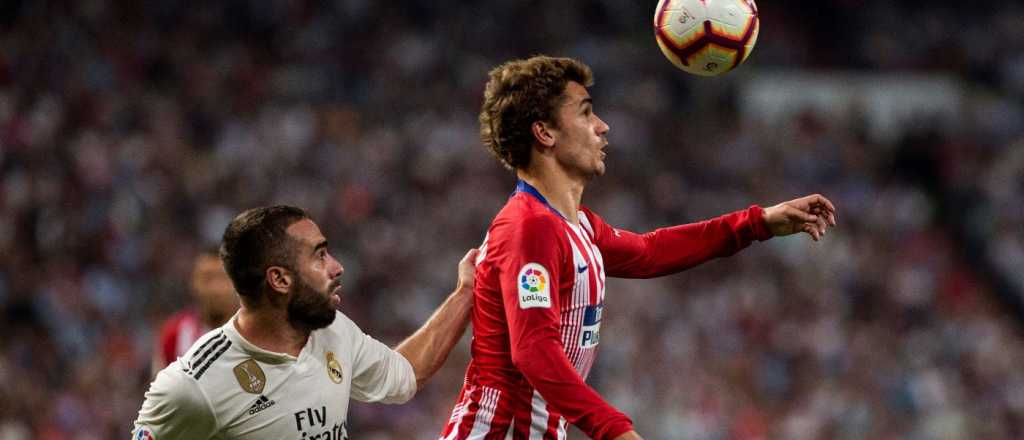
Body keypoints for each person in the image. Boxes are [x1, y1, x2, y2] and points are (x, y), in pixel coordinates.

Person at [438, 56, 837, 440]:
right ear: (545, 133)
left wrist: (757, 223)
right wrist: (616, 430)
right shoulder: (527, 228)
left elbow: (650, 252)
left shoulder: (575, 226)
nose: (603, 126)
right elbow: (533, 352)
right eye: (585, 112)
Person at [133, 206, 477, 439]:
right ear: (280, 280)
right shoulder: (196, 383)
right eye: (320, 255)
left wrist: (465, 292)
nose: (337, 266)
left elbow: (403, 374)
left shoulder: (332, 331)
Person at [151, 249, 239, 374]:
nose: (216, 289)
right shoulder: (174, 334)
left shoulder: (259, 334)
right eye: (207, 278)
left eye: (223, 278)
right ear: (193, 282)